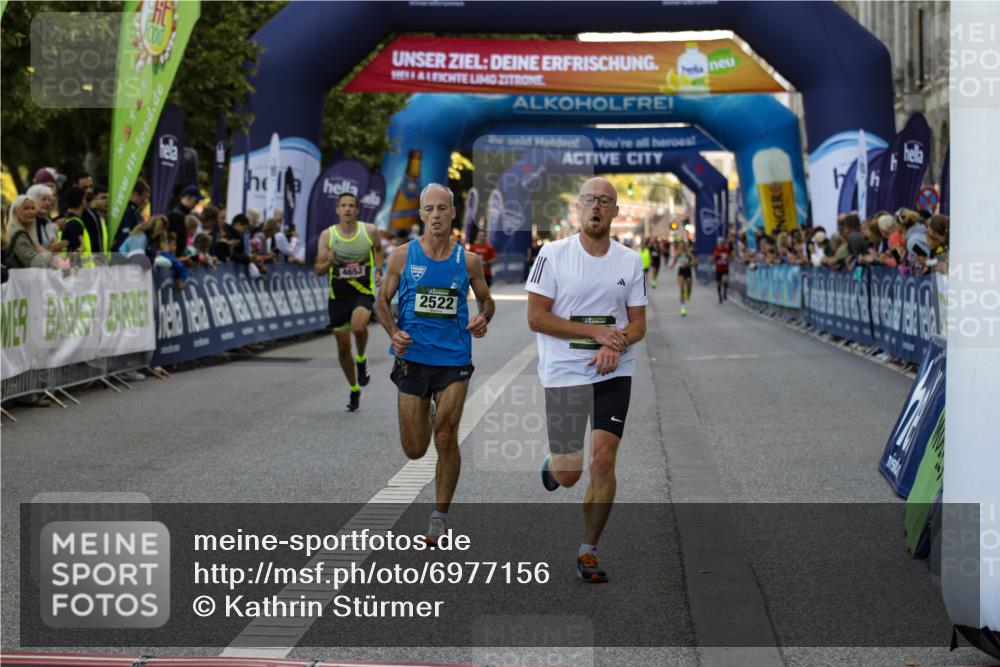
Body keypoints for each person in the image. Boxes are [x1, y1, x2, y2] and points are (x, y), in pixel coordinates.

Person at [526, 177, 646, 584]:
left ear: (615, 211)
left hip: (614, 370)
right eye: (590, 200)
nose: (597, 206)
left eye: (605, 201)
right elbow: (536, 317)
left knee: (604, 459)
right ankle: (554, 465)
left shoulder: (630, 260)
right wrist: (597, 334)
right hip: (564, 371)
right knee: (569, 474)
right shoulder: (553, 254)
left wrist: (617, 342)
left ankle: (589, 550)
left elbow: (639, 322)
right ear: (578, 208)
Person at [374, 183, 494, 545]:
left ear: (453, 213)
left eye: (442, 208)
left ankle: (439, 517)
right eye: (429, 209)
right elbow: (381, 301)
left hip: (454, 360)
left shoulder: (468, 261)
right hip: (413, 358)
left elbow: (486, 300)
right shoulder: (402, 257)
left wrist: (483, 317)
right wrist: (393, 332)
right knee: (415, 449)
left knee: (445, 435)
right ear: (421, 214)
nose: (436, 215)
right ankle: (426, 412)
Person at [314, 193, 384, 411]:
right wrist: (329, 261)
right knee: (343, 349)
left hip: (362, 292)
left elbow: (378, 250)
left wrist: (378, 270)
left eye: (351, 205)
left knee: (359, 326)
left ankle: (361, 358)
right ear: (337, 210)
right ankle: (354, 388)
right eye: (343, 205)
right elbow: (318, 270)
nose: (347, 209)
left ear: (357, 210)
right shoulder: (327, 236)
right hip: (338, 297)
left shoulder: (369, 231)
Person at [112, 178, 150, 252]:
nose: (146, 202)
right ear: (134, 195)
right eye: (144, 198)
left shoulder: (137, 214)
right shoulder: (125, 212)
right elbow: (124, 237)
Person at [168, 185, 201, 257]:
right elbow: (174, 239)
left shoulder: (182, 214)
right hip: (176, 256)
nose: (196, 204)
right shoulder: (176, 215)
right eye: (196, 201)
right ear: (188, 197)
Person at [670, 240, 696, 316]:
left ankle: (688, 293)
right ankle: (683, 308)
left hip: (688, 271)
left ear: (685, 246)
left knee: (689, 288)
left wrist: (689, 264)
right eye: (680, 246)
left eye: (683, 246)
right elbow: (674, 262)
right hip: (681, 272)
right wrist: (671, 266)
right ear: (678, 247)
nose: (681, 247)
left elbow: (695, 262)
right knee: (681, 290)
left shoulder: (689, 254)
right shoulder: (678, 254)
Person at [711, 236, 732, 303]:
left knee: (725, 280)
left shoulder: (727, 250)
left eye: (722, 242)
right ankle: (720, 296)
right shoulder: (715, 250)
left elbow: (731, 257)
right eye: (719, 242)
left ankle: (725, 292)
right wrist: (715, 256)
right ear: (717, 243)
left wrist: (728, 258)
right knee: (718, 284)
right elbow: (711, 259)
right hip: (718, 269)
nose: (721, 244)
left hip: (725, 268)